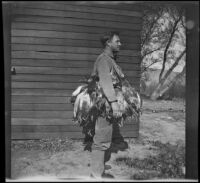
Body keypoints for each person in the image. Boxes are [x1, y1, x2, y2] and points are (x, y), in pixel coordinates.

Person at [89, 31, 128, 179]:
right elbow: (106, 82)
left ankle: (99, 168)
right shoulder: (103, 59)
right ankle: (96, 175)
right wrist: (114, 103)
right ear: (108, 43)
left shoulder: (111, 60)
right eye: (117, 41)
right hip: (104, 104)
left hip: (108, 103)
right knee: (102, 139)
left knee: (105, 136)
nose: (120, 44)